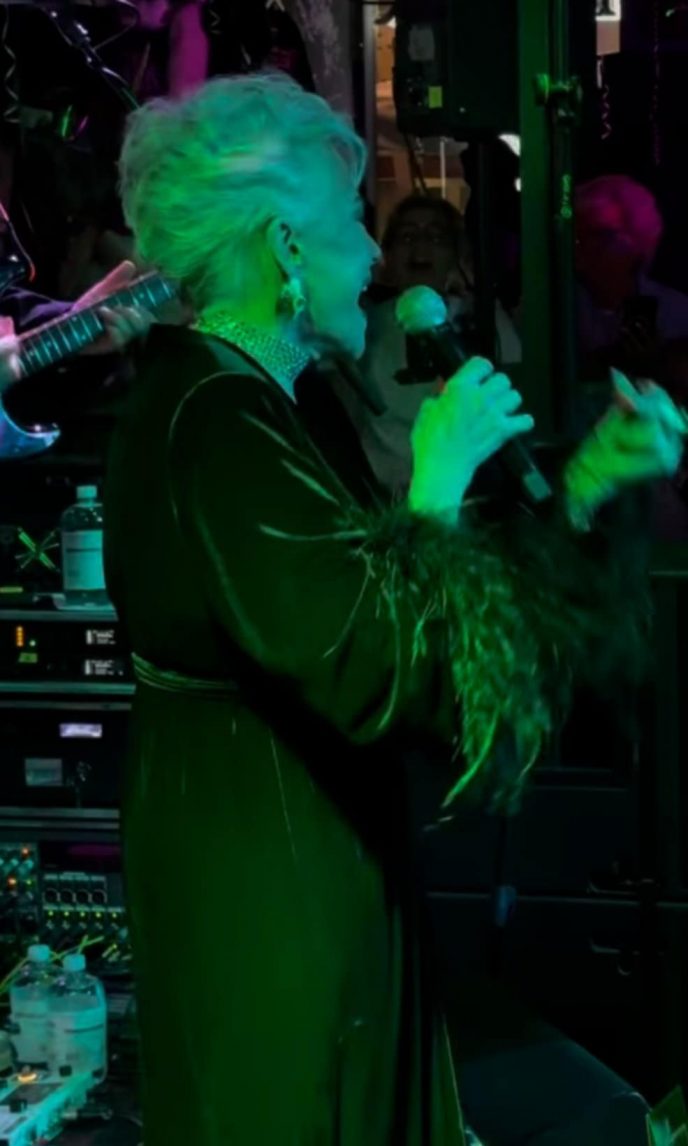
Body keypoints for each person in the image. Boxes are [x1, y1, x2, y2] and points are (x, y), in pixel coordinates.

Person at [103, 73, 685, 1145]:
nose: (375, 255)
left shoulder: (262, 400)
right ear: (285, 246)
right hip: (267, 883)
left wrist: (586, 484)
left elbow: (399, 600)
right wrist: (438, 476)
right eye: (350, 222)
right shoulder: (216, 417)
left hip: (298, 859)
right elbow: (368, 654)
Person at [333, 194, 522, 496]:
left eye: (435, 237)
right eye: (407, 236)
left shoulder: (484, 320)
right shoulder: (362, 327)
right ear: (388, 255)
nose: (420, 246)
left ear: (455, 255)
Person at [575, 174, 688, 368]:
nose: (578, 246)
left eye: (598, 235)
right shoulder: (549, 307)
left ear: (634, 244)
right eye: (576, 235)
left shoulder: (676, 313)